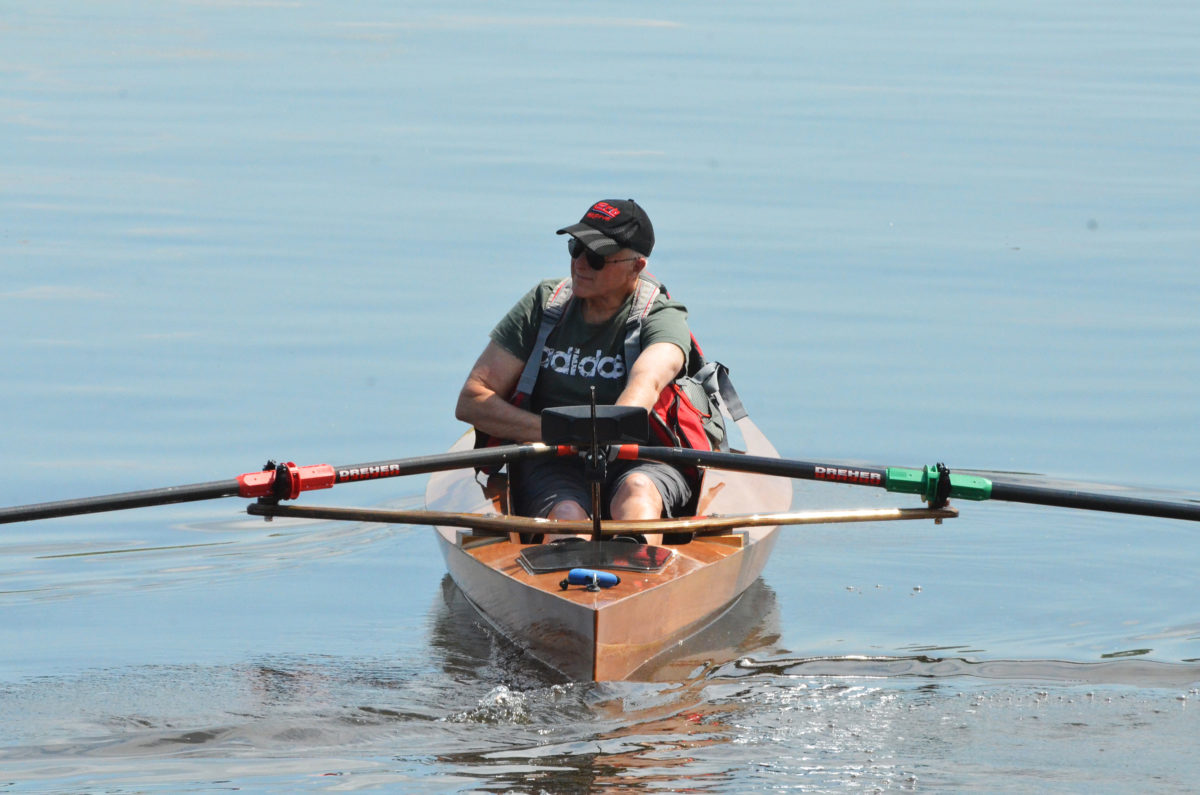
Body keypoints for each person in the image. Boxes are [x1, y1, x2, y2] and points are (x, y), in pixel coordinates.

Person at [455, 199, 694, 526]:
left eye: (596, 258)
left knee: (638, 494)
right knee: (567, 514)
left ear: (636, 267)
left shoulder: (662, 316)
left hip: (642, 458)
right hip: (551, 459)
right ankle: (571, 563)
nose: (580, 263)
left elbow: (648, 381)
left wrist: (609, 434)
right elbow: (472, 400)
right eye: (575, 248)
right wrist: (561, 434)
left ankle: (640, 566)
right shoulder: (544, 303)